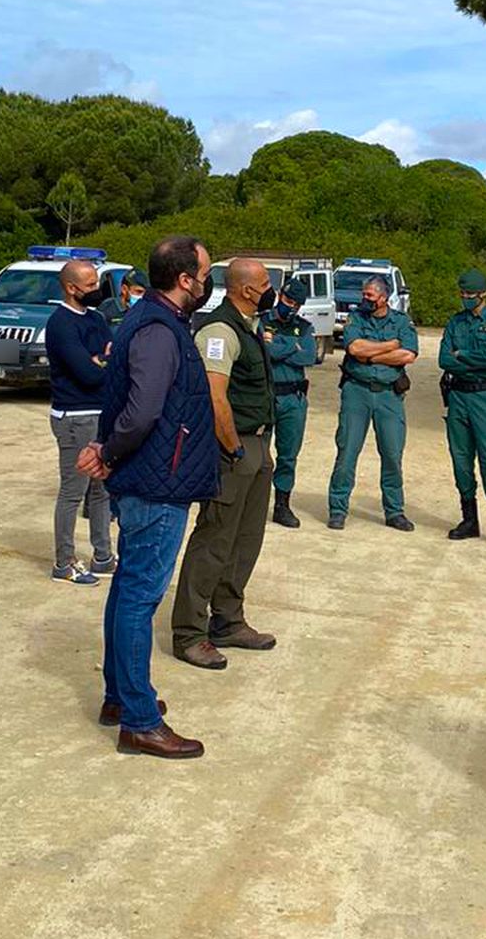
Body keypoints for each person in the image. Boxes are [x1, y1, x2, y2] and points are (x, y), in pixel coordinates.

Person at [77, 236, 218, 759]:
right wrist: (110, 452)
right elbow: (141, 412)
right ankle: (137, 720)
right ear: (185, 280)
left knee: (128, 592)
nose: (207, 284)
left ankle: (120, 697)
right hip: (157, 485)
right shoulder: (159, 329)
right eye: (204, 274)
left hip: (152, 477)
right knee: (140, 597)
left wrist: (107, 450)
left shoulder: (148, 319)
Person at [170, 259, 280, 671]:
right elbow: (216, 400)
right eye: (265, 284)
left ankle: (228, 621)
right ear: (246, 290)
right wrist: (233, 448)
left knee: (244, 541)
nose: (270, 290)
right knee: (214, 542)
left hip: (256, 445)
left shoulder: (248, 326)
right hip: (232, 450)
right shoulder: (220, 330)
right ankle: (189, 634)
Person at [327, 275, 419, 531]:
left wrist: (371, 354)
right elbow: (354, 349)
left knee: (392, 454)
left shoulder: (401, 322)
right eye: (364, 294)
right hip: (357, 391)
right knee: (347, 452)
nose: (364, 299)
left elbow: (408, 355)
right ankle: (337, 508)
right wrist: (389, 346)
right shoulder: (356, 318)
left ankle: (394, 511)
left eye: (369, 296)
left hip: (389, 395)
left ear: (383, 297)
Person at [43, 259, 115, 585]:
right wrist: (101, 362)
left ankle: (103, 556)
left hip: (101, 414)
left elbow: (114, 356)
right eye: (89, 286)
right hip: (74, 418)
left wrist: (101, 361)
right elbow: (86, 374)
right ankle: (65, 562)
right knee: (74, 491)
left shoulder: (97, 318)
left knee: (101, 490)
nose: (96, 290)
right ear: (71, 288)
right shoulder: (60, 324)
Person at [440, 268, 486, 548]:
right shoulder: (455, 322)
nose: (466, 298)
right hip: (458, 396)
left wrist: (463, 355)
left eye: (470, 294)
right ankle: (469, 520)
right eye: (462, 294)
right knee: (460, 459)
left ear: (483, 294)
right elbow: (444, 359)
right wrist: (468, 359)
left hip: (485, 398)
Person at [264, 277, 318, 529]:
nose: (291, 307)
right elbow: (267, 353)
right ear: (279, 296)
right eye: (287, 301)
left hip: (294, 399)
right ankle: (254, 502)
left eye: (296, 304)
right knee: (259, 453)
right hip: (267, 396)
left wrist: (279, 345)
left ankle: (282, 505)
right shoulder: (263, 321)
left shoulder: (304, 327)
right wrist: (291, 346)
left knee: (288, 455)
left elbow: (309, 355)